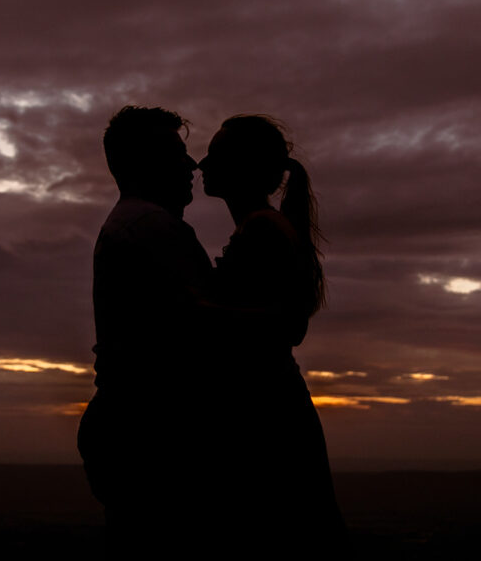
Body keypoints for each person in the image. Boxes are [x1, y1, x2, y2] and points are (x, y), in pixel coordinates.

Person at [198, 114, 346, 554]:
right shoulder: (260, 227)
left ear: (242, 167)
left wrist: (193, 309)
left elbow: (286, 325)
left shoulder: (263, 230)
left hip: (267, 413)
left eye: (216, 155)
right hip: (269, 407)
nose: (202, 165)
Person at [77, 106, 213, 558]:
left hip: (131, 431)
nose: (191, 165)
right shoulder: (152, 227)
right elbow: (208, 331)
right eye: (177, 154)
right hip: (153, 439)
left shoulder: (133, 223)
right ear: (144, 163)